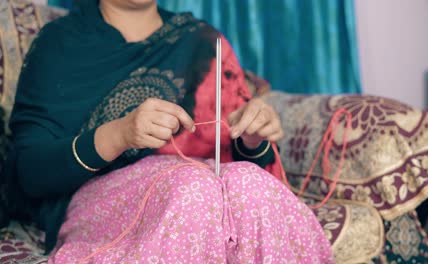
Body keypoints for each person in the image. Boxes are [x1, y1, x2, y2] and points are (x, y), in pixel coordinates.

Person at [8, 0, 334, 262]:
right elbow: (29, 172)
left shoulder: (202, 41)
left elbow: (246, 158)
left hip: (207, 178)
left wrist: (252, 138)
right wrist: (119, 134)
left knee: (251, 183)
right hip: (108, 196)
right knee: (192, 189)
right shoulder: (59, 42)